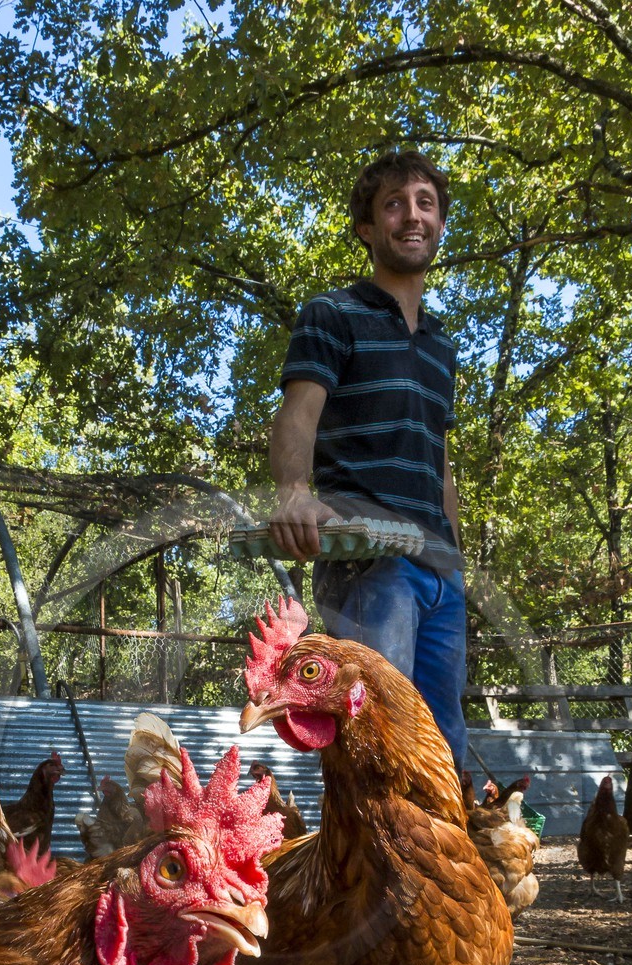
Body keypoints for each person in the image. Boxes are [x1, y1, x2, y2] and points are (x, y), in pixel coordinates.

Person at [268, 149, 468, 775]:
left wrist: (457, 558)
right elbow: (299, 412)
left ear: (440, 223)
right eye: (395, 204)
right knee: (376, 746)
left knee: (442, 749)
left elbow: (440, 461)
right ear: (367, 228)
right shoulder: (333, 314)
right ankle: (365, 875)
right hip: (368, 561)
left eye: (426, 204)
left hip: (439, 575)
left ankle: (438, 873)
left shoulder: (442, 347)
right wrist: (295, 491)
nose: (413, 216)